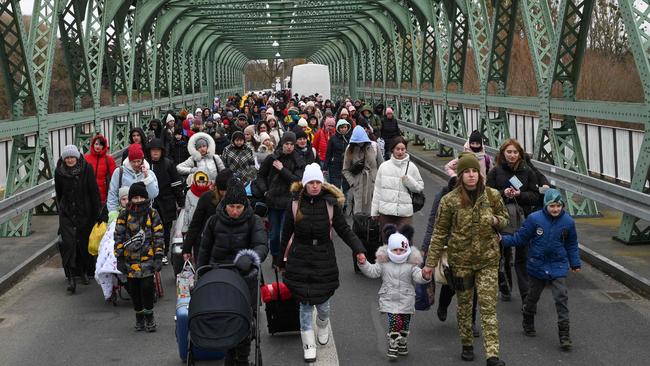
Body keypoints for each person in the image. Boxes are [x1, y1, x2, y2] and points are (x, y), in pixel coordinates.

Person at [422, 153, 509, 366]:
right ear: (460, 176)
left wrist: (496, 220)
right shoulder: (449, 201)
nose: (471, 176)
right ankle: (467, 343)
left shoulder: (492, 196)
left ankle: (492, 355)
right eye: (467, 172)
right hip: (460, 262)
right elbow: (440, 232)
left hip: (487, 260)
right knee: (464, 306)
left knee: (488, 306)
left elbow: (505, 220)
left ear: (480, 175)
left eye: (474, 172)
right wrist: (429, 264)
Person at [278, 163, 366, 363]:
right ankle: (308, 343)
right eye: (311, 182)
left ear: (322, 183)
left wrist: (359, 249)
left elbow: (344, 229)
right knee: (304, 303)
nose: (315, 186)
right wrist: (280, 260)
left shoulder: (330, 203)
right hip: (300, 256)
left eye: (318, 182)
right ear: (305, 184)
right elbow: (286, 233)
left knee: (323, 302)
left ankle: (323, 322)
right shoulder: (294, 203)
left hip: (323, 257)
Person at [197, 178, 268, 365]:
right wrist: (200, 277)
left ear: (244, 205)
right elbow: (204, 250)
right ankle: (229, 354)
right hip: (218, 274)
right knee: (224, 318)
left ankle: (242, 358)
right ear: (224, 204)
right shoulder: (213, 221)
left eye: (238, 207)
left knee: (243, 320)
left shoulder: (254, 221)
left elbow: (261, 245)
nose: (235, 211)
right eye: (231, 206)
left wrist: (250, 257)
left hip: (245, 276)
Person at [500, 189, 580, 350]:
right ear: (546, 205)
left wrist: (575, 262)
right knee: (532, 297)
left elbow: (571, 244)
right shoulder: (534, 219)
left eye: (558, 206)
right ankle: (528, 318)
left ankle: (564, 335)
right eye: (552, 206)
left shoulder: (568, 222)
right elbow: (521, 237)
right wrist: (502, 240)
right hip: (537, 265)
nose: (556, 209)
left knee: (561, 297)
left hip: (557, 265)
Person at [420, 176, 481, 337]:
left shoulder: (479, 193)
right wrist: (426, 248)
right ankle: (443, 304)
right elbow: (433, 221)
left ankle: (471, 322)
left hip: (473, 247)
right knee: (451, 282)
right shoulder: (444, 195)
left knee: (473, 286)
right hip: (451, 247)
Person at [358, 224, 429, 359]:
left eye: (401, 250)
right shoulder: (383, 262)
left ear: (406, 249)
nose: (398, 252)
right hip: (389, 298)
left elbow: (418, 276)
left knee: (405, 323)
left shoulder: (411, 263)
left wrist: (425, 275)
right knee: (395, 321)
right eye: (395, 249)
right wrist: (363, 264)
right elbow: (373, 272)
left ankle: (402, 341)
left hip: (406, 299)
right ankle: (393, 344)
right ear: (389, 249)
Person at [487, 138, 539, 303]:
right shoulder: (495, 172)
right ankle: (506, 287)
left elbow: (535, 196)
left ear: (520, 154)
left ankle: (526, 296)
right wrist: (503, 193)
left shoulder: (527, 172)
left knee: (522, 257)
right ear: (503, 153)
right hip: (502, 217)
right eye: (509, 152)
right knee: (504, 254)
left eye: (515, 152)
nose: (512, 155)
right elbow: (488, 195)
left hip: (523, 217)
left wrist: (519, 195)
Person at [114, 182, 164, 332]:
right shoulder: (124, 215)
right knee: (134, 289)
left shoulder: (152, 213)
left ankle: (149, 315)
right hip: (130, 259)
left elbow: (159, 234)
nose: (138, 200)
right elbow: (118, 236)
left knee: (147, 287)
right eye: (135, 197)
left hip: (148, 258)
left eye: (141, 197)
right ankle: (139, 316)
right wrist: (120, 257)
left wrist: (158, 256)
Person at [55, 145, 101, 293]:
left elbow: (93, 191)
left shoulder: (86, 168)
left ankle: (82, 271)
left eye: (72, 157)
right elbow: (59, 192)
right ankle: (70, 277)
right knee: (69, 245)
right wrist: (61, 210)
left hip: (84, 213)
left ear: (77, 157)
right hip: (67, 213)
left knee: (83, 243)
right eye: (67, 158)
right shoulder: (59, 171)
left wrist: (96, 213)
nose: (69, 160)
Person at [256, 131, 306, 264]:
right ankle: (275, 255)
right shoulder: (272, 158)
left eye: (291, 144)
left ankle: (284, 258)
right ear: (282, 144)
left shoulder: (298, 159)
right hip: (273, 201)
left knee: (286, 233)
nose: (289, 147)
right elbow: (260, 176)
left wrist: (282, 169)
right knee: (273, 235)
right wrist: (265, 191)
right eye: (286, 144)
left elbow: (298, 180)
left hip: (289, 202)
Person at [371, 137, 424, 229]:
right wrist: (374, 212)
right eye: (397, 149)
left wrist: (408, 181)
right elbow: (377, 190)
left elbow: (419, 187)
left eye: (403, 149)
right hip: (386, 212)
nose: (400, 152)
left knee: (404, 241)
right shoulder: (384, 167)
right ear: (393, 150)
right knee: (388, 242)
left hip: (405, 213)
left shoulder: (412, 167)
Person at [146, 138, 184, 265]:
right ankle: (152, 252)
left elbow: (176, 184)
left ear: (162, 151)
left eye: (158, 151)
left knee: (166, 229)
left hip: (166, 201)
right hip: (151, 202)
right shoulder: (146, 165)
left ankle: (164, 251)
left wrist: (181, 202)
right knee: (150, 228)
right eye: (153, 151)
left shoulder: (168, 164)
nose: (155, 153)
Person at [182, 169, 233, 262]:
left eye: (227, 191)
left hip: (228, 248)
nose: (225, 194)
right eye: (222, 191)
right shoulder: (206, 198)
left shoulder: (236, 201)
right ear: (217, 188)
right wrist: (187, 248)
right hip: (204, 245)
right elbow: (195, 224)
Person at [106, 144, 159, 213]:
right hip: (124, 215)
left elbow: (153, 195)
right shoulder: (119, 172)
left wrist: (147, 177)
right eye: (133, 162)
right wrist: (113, 214)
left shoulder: (149, 173)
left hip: (144, 215)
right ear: (129, 160)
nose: (136, 164)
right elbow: (112, 194)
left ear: (142, 160)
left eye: (138, 161)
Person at [343, 125, 383, 215]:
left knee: (374, 214)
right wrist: (353, 183)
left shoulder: (374, 146)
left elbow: (382, 166)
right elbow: (345, 170)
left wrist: (378, 181)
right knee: (359, 215)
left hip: (373, 185)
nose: (360, 143)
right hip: (358, 186)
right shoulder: (349, 149)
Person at [84, 134, 116, 205]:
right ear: (93, 145)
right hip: (88, 194)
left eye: (101, 145)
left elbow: (114, 178)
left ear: (104, 146)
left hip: (103, 195)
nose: (98, 146)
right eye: (96, 144)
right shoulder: (86, 158)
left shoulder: (109, 160)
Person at [324, 119, 351, 193]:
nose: (343, 129)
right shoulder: (333, 138)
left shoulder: (350, 138)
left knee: (346, 185)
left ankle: (345, 202)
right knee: (335, 186)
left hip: (347, 165)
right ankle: (336, 202)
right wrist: (325, 167)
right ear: (338, 128)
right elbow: (328, 153)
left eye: (345, 127)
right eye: (341, 127)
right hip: (335, 165)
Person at [182, 170, 211, 234]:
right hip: (192, 223)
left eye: (203, 182)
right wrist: (185, 226)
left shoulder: (210, 194)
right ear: (195, 181)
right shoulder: (190, 192)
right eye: (199, 182)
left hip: (206, 224)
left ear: (207, 182)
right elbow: (187, 210)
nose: (201, 184)